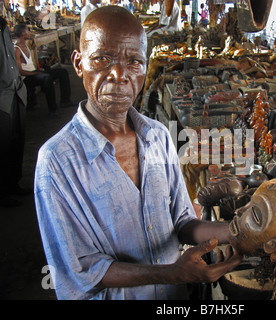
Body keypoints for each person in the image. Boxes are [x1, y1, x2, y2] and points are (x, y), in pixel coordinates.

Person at [34, 6, 242, 300]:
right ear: (79, 64)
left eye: (134, 61)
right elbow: (79, 269)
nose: (119, 74)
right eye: (102, 59)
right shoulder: (57, 161)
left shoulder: (157, 136)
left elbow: (183, 223)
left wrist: (240, 230)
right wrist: (174, 273)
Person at [0, 16, 30, 207]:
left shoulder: (3, 25)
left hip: (16, 92)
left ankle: (13, 183)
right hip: (2, 96)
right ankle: (2, 192)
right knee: (2, 146)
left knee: (16, 141)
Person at [13, 24, 73, 117]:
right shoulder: (16, 49)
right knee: (47, 78)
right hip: (26, 77)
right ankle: (52, 110)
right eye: (27, 31)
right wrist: (36, 72)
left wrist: (38, 70)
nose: (29, 32)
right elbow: (20, 71)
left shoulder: (26, 44)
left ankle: (65, 101)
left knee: (62, 72)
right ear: (22, 34)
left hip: (34, 72)